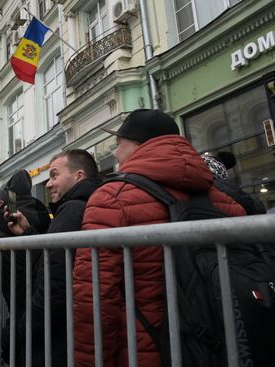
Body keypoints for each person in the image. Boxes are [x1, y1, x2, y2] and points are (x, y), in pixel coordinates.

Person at [72, 109, 245, 367]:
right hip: (225, 344)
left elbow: (94, 300)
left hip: (145, 350)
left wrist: (91, 361)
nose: (115, 154)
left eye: (119, 145)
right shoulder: (227, 202)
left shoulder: (112, 199)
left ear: (140, 146)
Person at [7, 149, 103, 366]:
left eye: (54, 175)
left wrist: (22, 329)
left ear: (78, 176)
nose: (48, 184)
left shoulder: (71, 211)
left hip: (57, 339)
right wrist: (29, 233)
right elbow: (57, 262)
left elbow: (54, 286)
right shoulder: (86, 205)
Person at [0, 169, 50, 364]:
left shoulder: (3, 223)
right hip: (42, 289)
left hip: (17, 295)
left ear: (2, 203)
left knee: (20, 335)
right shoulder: (45, 215)